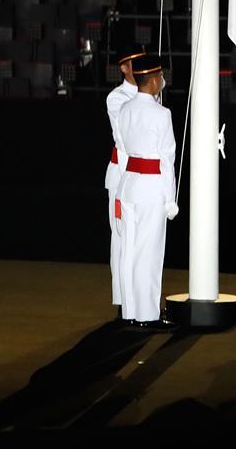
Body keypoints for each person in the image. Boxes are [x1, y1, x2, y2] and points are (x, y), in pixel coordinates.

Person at [114, 54, 178, 330]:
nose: (162, 80)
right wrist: (170, 198)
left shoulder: (125, 110)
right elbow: (167, 159)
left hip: (128, 185)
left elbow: (125, 151)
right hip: (152, 188)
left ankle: (129, 311)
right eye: (160, 75)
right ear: (153, 80)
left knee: (128, 252)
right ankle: (148, 315)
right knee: (149, 254)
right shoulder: (162, 115)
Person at [105, 45, 146, 315]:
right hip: (122, 175)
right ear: (123, 67)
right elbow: (127, 136)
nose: (141, 67)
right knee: (121, 239)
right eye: (135, 63)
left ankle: (142, 302)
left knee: (144, 240)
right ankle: (122, 302)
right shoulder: (117, 97)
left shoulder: (151, 92)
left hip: (144, 176)